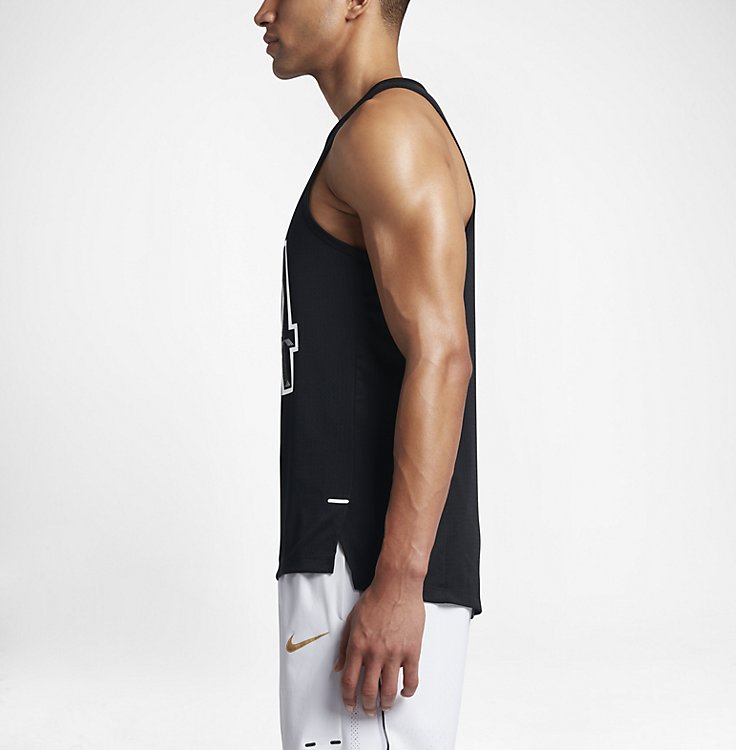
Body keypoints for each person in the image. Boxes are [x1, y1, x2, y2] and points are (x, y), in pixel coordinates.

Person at [254, 1, 482, 747]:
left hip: (362, 572)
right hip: (347, 563)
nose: (263, 12)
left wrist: (398, 585)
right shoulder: (372, 134)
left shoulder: (389, 132)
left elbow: (443, 356)